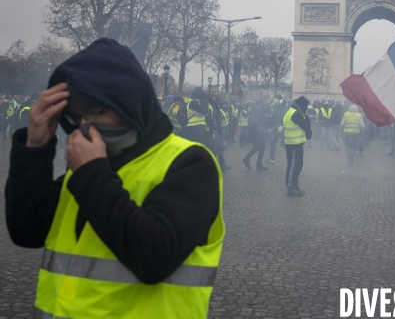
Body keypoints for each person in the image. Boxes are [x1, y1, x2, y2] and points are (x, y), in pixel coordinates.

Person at [4, 38, 224, 318]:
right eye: (77, 115)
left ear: (130, 104)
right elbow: (27, 231)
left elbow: (154, 258)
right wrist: (34, 149)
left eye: (98, 111)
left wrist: (91, 173)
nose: (85, 126)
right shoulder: (89, 168)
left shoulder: (190, 163)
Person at [284, 96, 311, 197]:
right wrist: (307, 116)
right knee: (292, 166)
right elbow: (306, 126)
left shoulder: (293, 112)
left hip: (296, 142)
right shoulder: (295, 114)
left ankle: (294, 185)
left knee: (297, 165)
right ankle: (290, 187)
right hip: (293, 144)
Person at [243, 98, 269, 171]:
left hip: (258, 131)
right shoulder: (258, 110)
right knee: (259, 146)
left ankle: (258, 164)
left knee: (262, 146)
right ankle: (246, 159)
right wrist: (258, 129)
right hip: (256, 131)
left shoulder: (259, 110)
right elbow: (254, 122)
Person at [266, 94, 287, 163]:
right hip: (277, 126)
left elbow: (275, 117)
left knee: (275, 143)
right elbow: (274, 117)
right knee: (278, 143)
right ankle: (272, 157)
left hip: (278, 126)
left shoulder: (280, 106)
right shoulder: (280, 106)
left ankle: (272, 158)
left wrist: (282, 125)